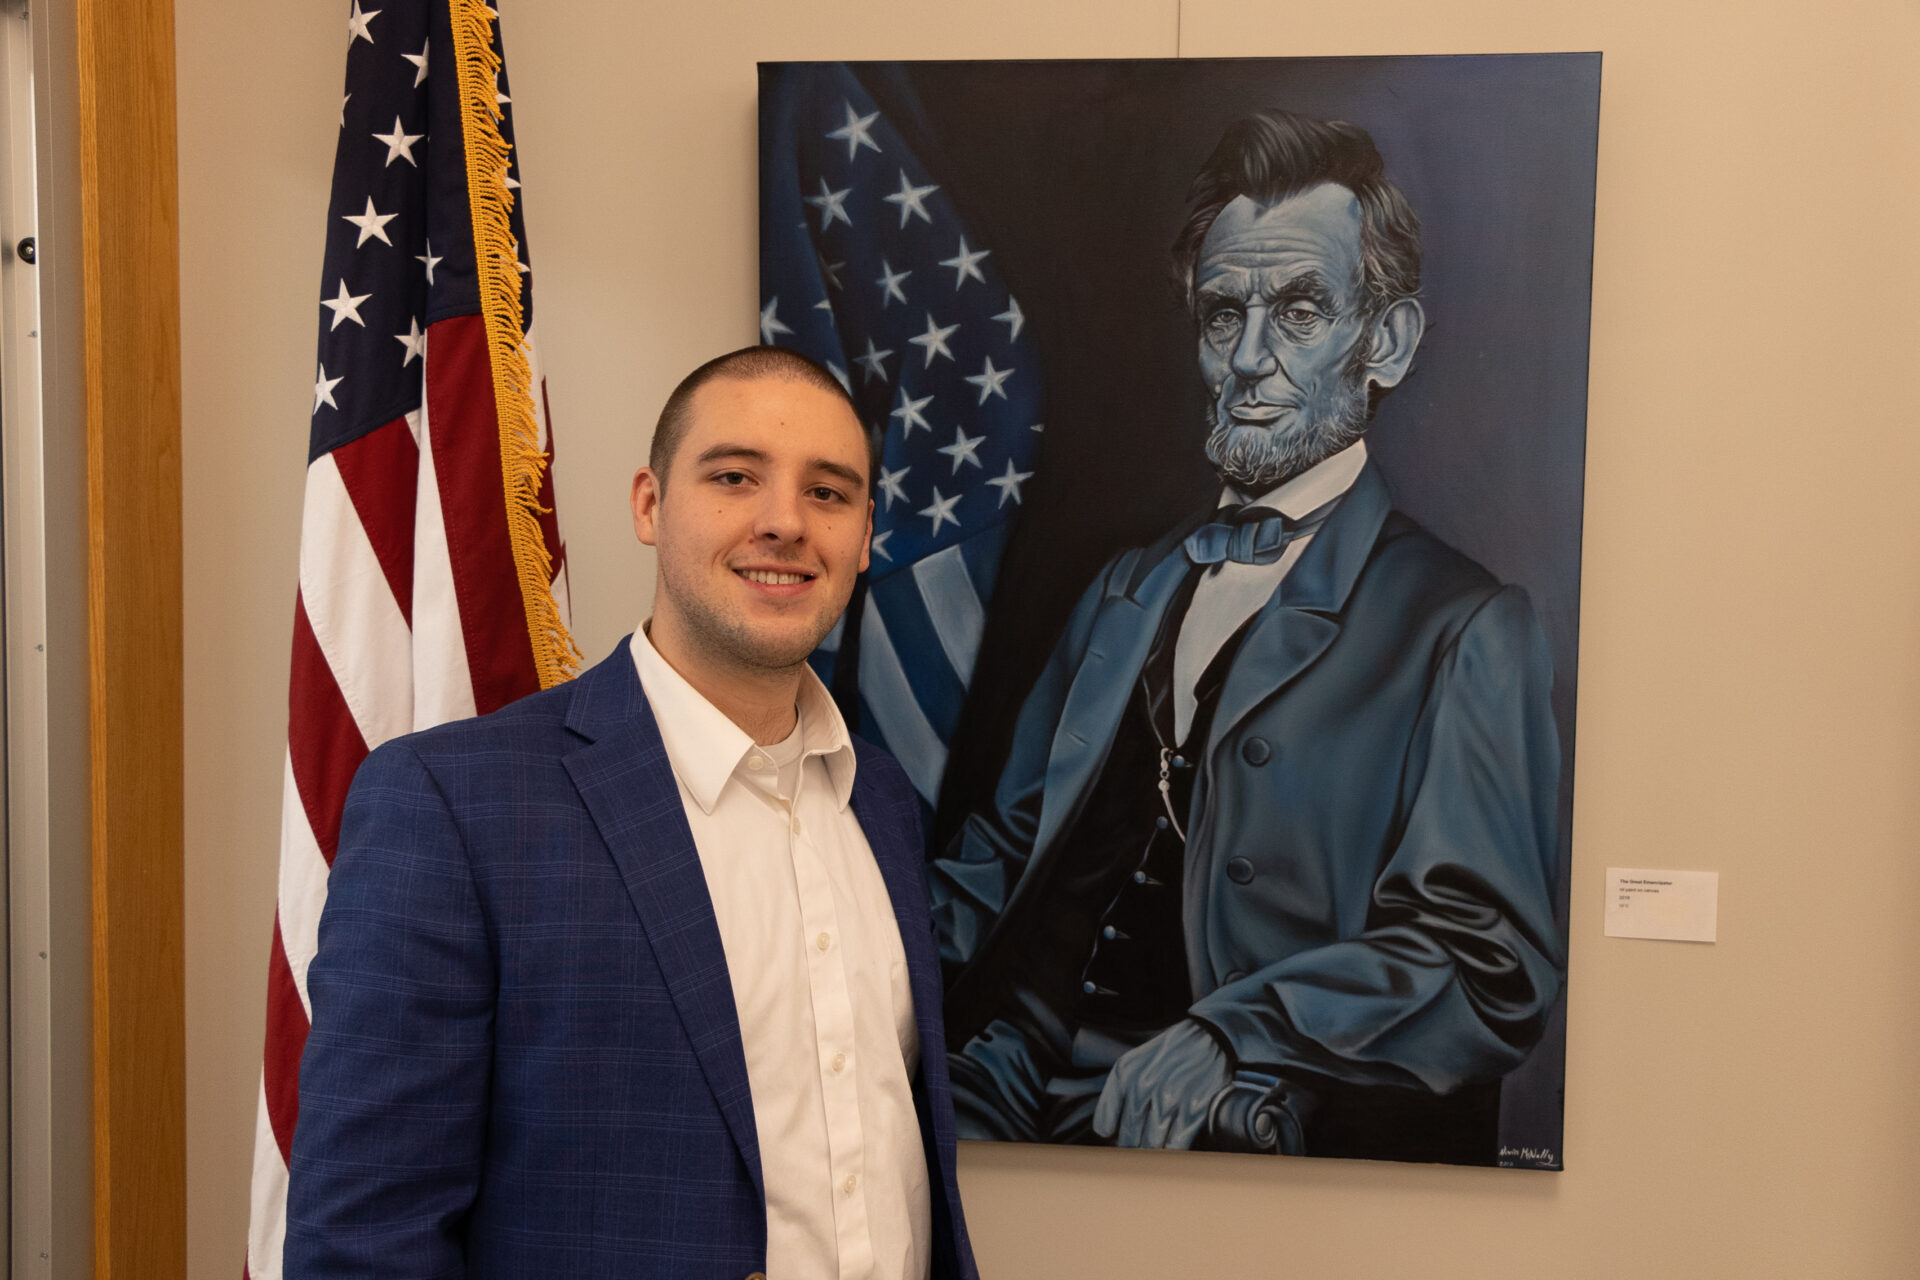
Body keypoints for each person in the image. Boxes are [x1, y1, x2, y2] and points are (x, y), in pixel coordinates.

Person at [930, 108, 1567, 1164]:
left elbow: (1486, 963)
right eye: (1225, 317)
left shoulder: (1465, 626)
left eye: (1302, 310)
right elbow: (1002, 856)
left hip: (1228, 1112)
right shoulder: (1129, 586)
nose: (1252, 359)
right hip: (1003, 1072)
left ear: (1388, 343)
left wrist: (1237, 1031)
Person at [287, 346, 978, 1279]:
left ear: (863, 537)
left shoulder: (882, 802)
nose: (784, 523)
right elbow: (363, 1243)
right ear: (650, 504)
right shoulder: (453, 807)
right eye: (735, 477)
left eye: (829, 493)